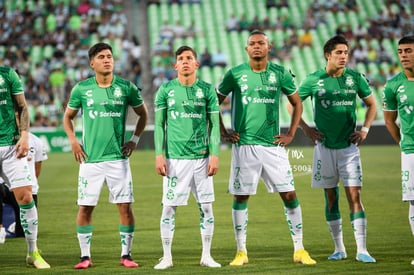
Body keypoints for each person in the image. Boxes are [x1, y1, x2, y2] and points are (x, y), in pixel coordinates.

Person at [217, 30, 316, 266]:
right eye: (252, 44)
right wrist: (222, 131)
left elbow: (296, 102)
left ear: (269, 46)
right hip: (245, 146)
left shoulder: (280, 73)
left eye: (261, 43)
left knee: (289, 194)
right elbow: (214, 102)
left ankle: (299, 249)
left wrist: (292, 133)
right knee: (241, 197)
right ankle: (241, 251)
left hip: (273, 146)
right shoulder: (235, 74)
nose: (257, 47)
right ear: (246, 49)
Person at [63, 42, 148, 269]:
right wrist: (73, 141)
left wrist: (135, 139)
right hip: (90, 159)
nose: (107, 60)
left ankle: (126, 255)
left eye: (109, 56)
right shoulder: (81, 89)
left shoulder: (126, 87)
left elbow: (143, 114)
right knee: (85, 207)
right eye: (101, 57)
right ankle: (84, 257)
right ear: (92, 63)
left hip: (118, 160)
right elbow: (67, 116)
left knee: (125, 207)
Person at [297, 35, 377, 263]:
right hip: (323, 147)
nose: (344, 57)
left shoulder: (355, 78)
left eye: (346, 52)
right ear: (328, 55)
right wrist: (305, 129)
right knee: (330, 197)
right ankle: (339, 248)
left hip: (349, 147)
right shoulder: (314, 79)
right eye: (339, 53)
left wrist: (365, 130)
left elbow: (372, 104)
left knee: (354, 194)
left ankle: (362, 249)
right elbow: (294, 103)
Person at [153, 45, 221, 270]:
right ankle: (167, 257)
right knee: (168, 208)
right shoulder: (165, 90)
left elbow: (214, 127)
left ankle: (206, 255)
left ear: (196, 64)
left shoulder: (208, 90)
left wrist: (214, 155)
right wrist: (159, 155)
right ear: (175, 65)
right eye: (181, 58)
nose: (185, 61)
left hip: (201, 158)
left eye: (189, 58)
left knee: (207, 208)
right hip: (175, 160)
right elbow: (160, 126)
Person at [0, 66, 50, 268]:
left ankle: (33, 252)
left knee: (26, 197)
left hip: (12, 145)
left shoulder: (7, 74)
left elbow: (22, 106)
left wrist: (25, 135)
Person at [382, 35, 414, 265]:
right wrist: (403, 144)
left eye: (409, 51)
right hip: (411, 150)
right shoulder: (393, 85)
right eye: (401, 51)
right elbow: (389, 120)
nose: (403, 55)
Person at [0, 132, 48, 240]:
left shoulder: (37, 142)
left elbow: (37, 170)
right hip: (5, 187)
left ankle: (17, 225)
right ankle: (0, 229)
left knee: (23, 233)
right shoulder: (6, 138)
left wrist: (28, 185)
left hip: (25, 188)